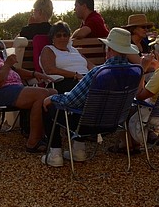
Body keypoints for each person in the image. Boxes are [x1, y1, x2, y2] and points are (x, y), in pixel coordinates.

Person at [40, 27, 140, 166]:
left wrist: (52, 98)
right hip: (114, 123)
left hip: (88, 124)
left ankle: (55, 154)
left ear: (108, 49)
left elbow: (71, 101)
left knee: (50, 104)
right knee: (86, 105)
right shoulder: (134, 71)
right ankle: (78, 150)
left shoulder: (98, 73)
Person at [0, 25, 55, 151]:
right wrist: (7, 64)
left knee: (52, 93)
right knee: (41, 94)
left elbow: (14, 70)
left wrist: (34, 74)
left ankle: (46, 135)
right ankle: (33, 142)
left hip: (11, 89)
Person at [38, 21, 94, 93]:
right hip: (65, 81)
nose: (62, 38)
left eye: (65, 35)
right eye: (58, 35)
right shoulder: (49, 50)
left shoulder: (74, 50)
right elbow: (50, 70)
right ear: (52, 38)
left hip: (84, 79)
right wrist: (75, 75)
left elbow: (91, 66)